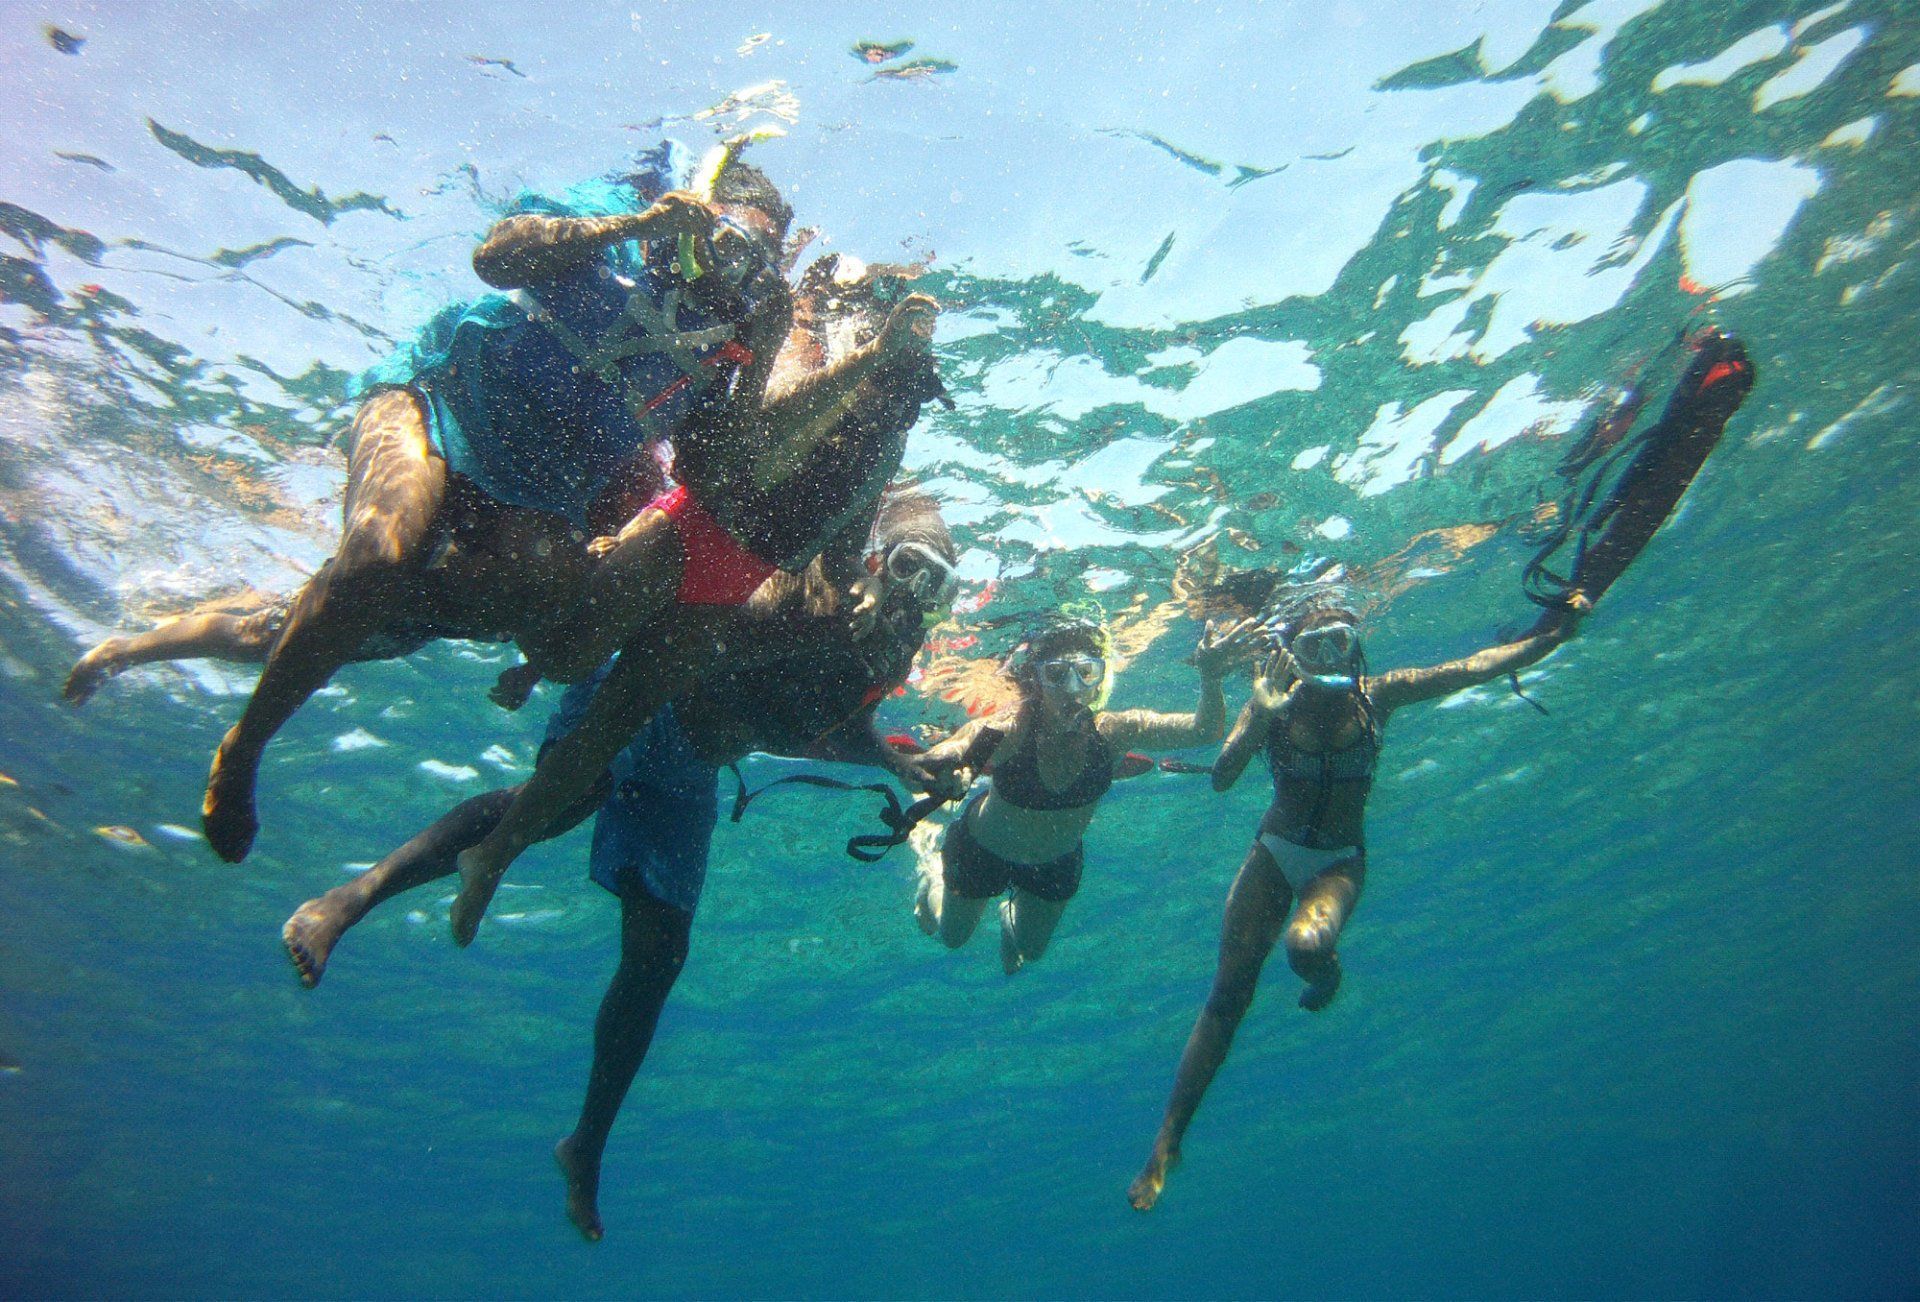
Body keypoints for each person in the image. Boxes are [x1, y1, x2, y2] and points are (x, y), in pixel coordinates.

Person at [193, 140, 933, 864]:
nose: (722, 268)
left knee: (508, 610)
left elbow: (715, 475)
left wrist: (765, 345)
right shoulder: (620, 234)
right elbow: (497, 257)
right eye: (719, 242)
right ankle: (246, 745)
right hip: (440, 402)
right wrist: (639, 226)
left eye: (749, 259)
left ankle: (326, 625)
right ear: (695, 217)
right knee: (375, 561)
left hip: (533, 489)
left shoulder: (729, 341)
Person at [279, 490, 958, 1242]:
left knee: (661, 950)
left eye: (938, 585)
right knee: (555, 804)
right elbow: (678, 608)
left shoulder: (895, 651)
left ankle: (586, 1144)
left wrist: (900, 763)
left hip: (695, 767)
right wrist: (547, 659)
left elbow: (819, 728)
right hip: (640, 700)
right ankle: (355, 896)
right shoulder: (806, 580)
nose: (914, 597)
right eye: (909, 567)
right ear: (869, 556)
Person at [444, 262, 943, 945]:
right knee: (562, 659)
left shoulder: (886, 439)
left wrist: (864, 582)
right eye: (894, 391)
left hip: (731, 582)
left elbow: (841, 540)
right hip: (686, 533)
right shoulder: (823, 376)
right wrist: (869, 358)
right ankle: (515, 601)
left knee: (604, 732)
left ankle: (492, 857)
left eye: (908, 400)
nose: (897, 408)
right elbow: (758, 439)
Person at [1127, 589, 1585, 1211]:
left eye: (1340, 641)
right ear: (1291, 652)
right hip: (1275, 850)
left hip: (1337, 864)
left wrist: (1550, 636)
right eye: (1314, 646)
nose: (1330, 658)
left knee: (1305, 944)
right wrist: (1259, 713)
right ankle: (1168, 1139)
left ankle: (1326, 971)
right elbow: (1223, 776)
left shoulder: (1378, 694)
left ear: (1356, 643)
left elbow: (1472, 667)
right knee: (1228, 990)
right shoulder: (1276, 702)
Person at [905, 612, 1262, 973]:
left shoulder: (1115, 732)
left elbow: (1204, 731)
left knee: (1031, 951)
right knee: (952, 936)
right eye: (1057, 674)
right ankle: (932, 870)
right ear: (1037, 682)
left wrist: (1211, 677)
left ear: (1099, 681)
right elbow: (941, 756)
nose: (1072, 688)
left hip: (1054, 863)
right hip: (984, 850)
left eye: (1086, 673)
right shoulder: (1010, 729)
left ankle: (1007, 914)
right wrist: (941, 768)